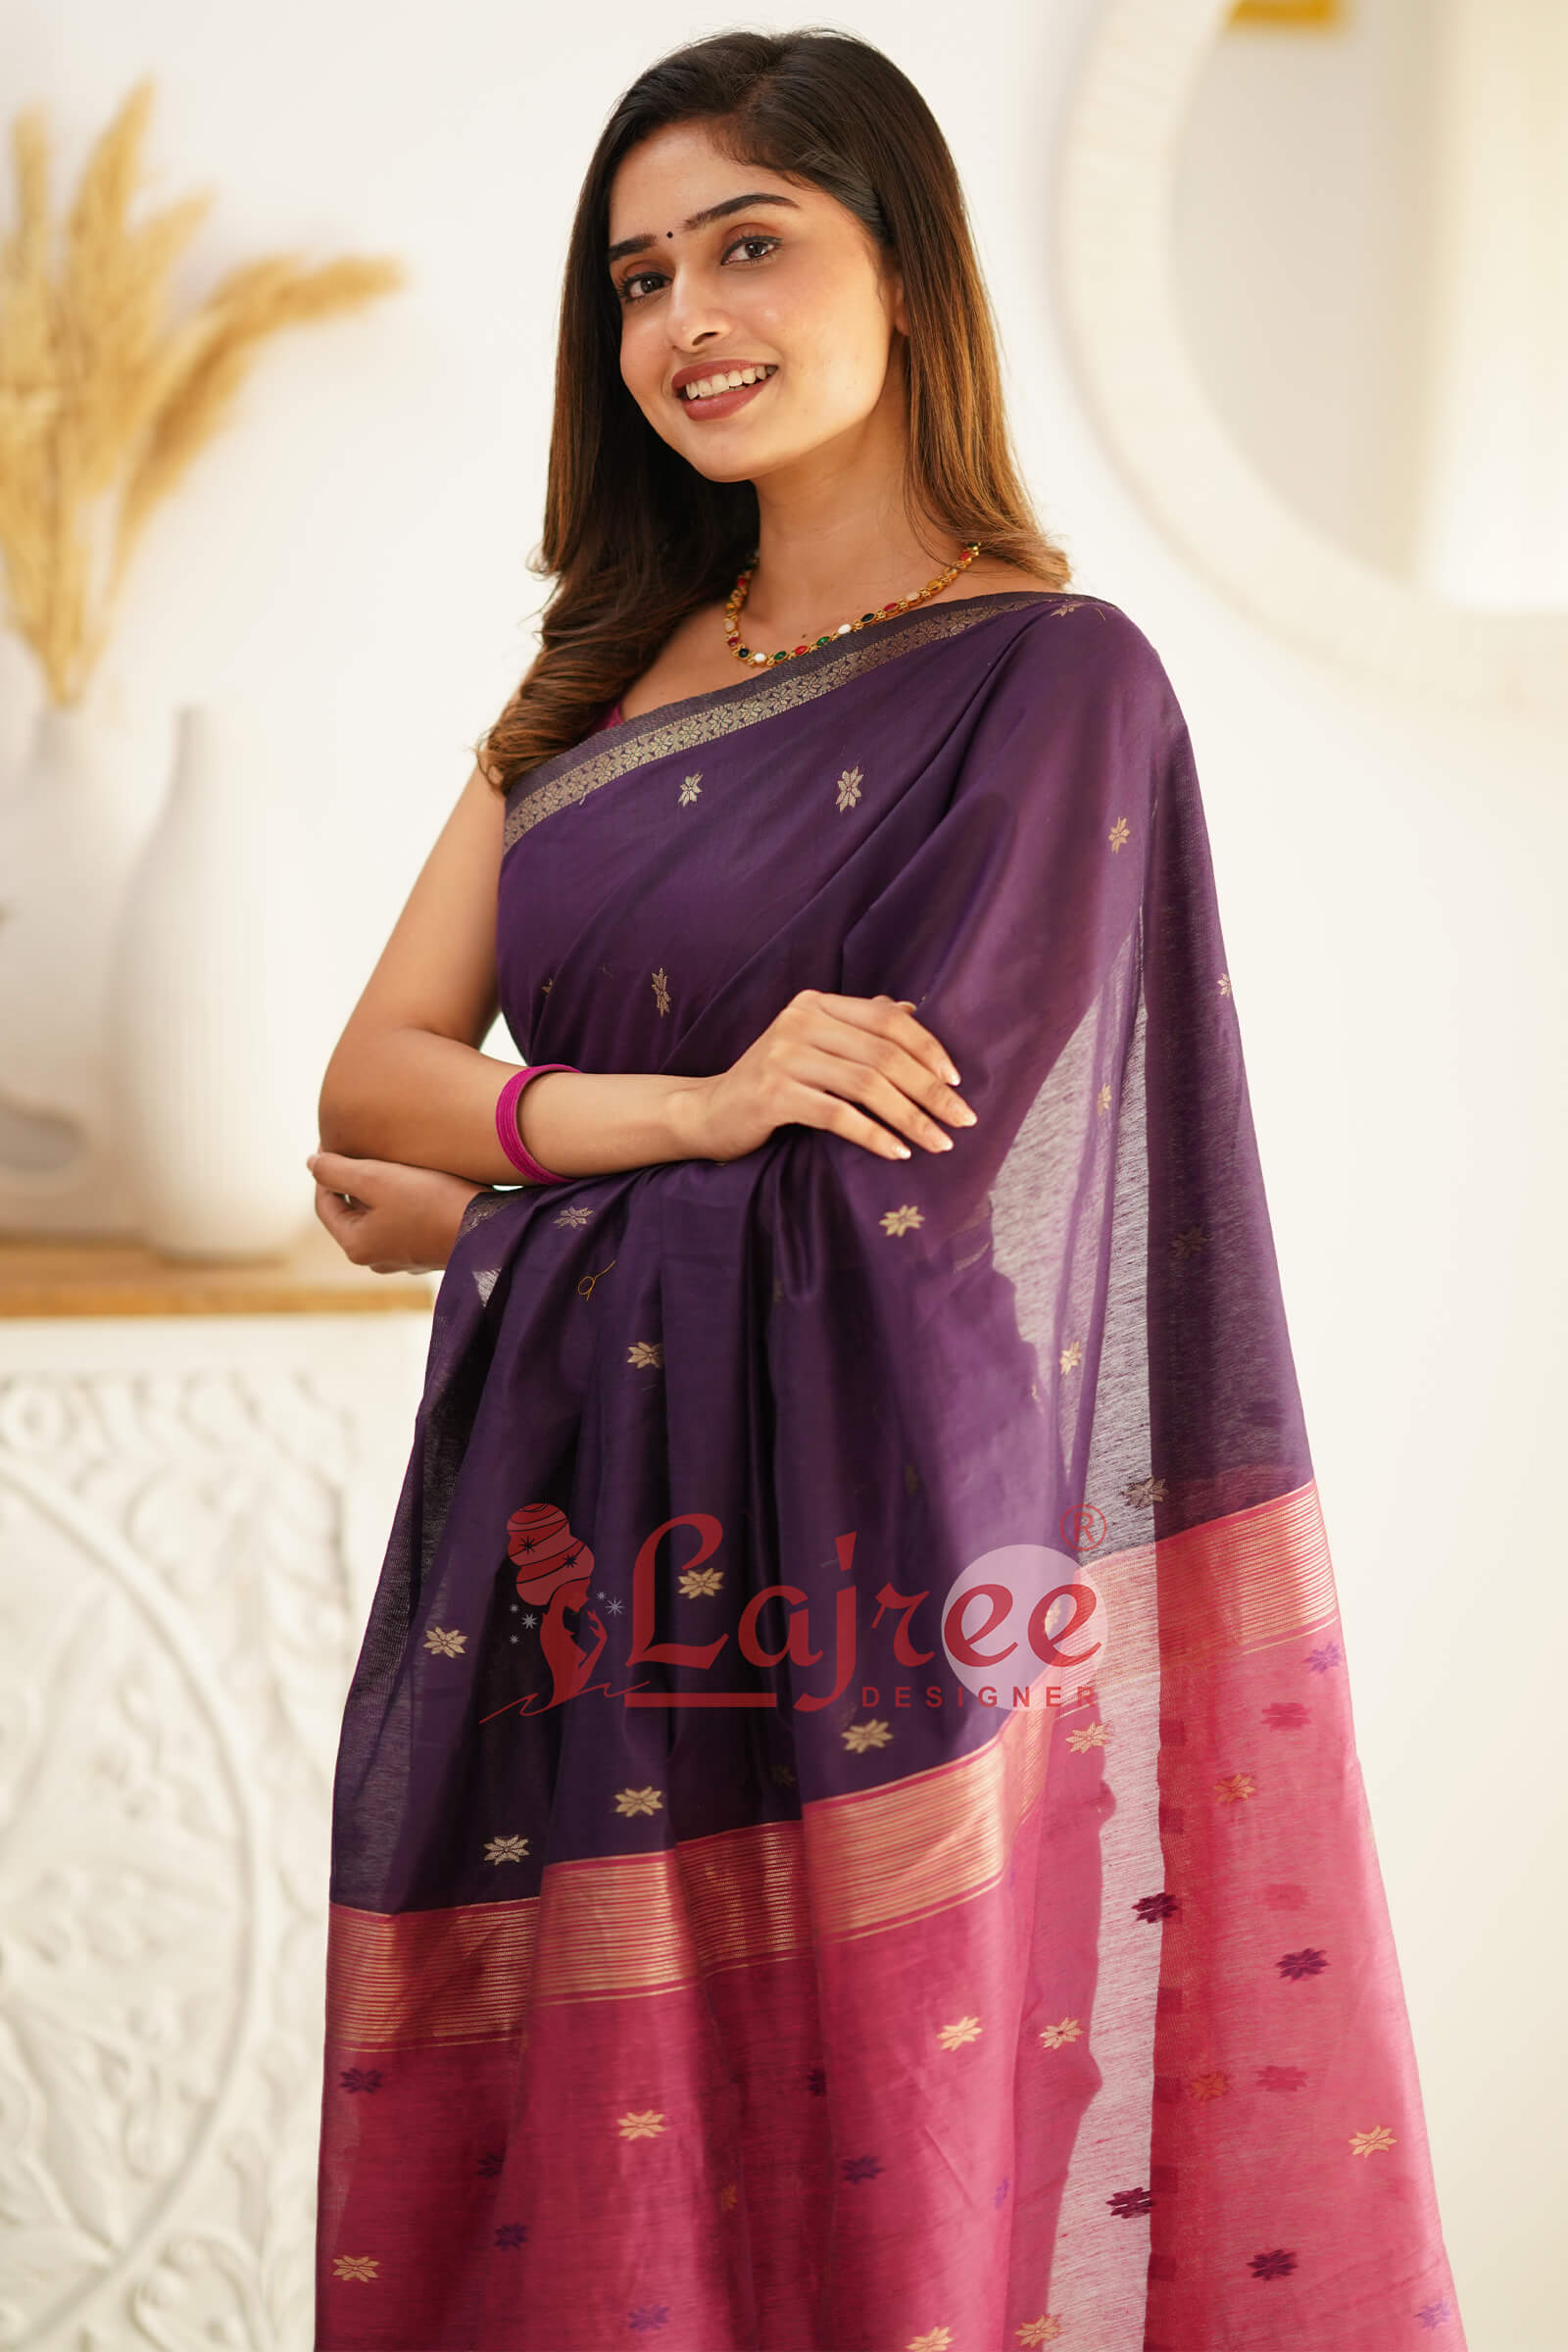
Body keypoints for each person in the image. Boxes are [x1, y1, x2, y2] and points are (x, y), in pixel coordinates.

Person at [308, 28, 1465, 2351]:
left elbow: (898, 1226)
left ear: (909, 271)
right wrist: (684, 1117)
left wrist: (492, 1226)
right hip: (553, 1589)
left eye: (749, 245)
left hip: (883, 1581)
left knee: (876, 2223)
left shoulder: (1049, 685)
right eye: (639, 278)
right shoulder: (592, 691)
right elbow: (368, 1080)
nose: (685, 320)